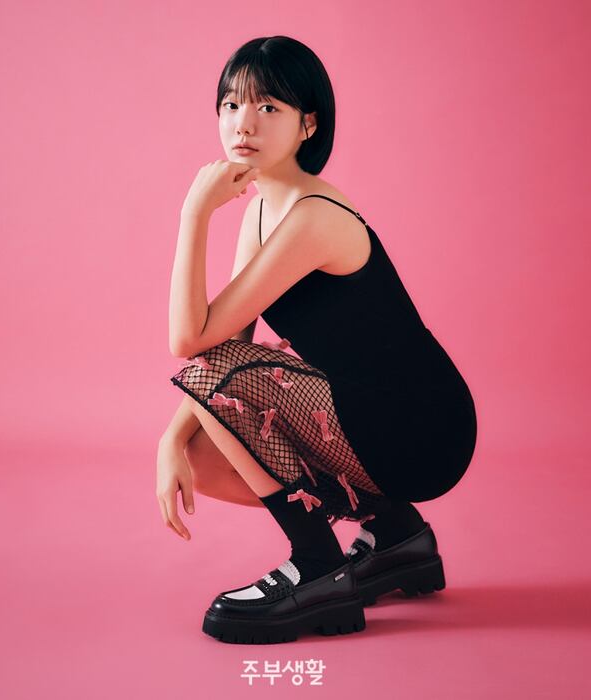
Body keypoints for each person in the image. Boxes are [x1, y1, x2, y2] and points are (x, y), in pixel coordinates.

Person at [156, 35, 478, 644]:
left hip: (423, 425)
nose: (243, 123)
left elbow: (189, 341)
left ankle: (318, 566)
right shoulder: (261, 212)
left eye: (268, 107)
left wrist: (193, 213)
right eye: (231, 105)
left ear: (308, 124)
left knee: (211, 378)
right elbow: (223, 343)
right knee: (203, 455)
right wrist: (171, 439)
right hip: (366, 413)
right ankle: (397, 534)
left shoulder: (313, 216)